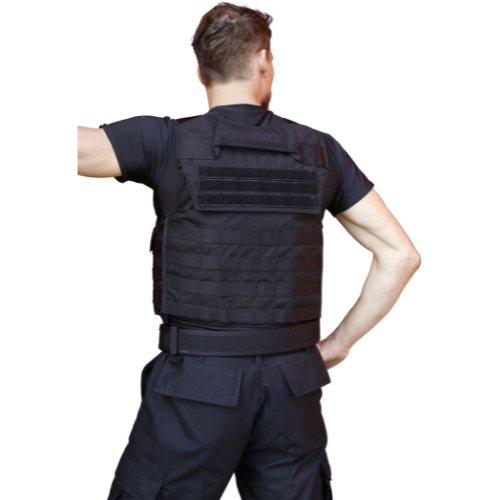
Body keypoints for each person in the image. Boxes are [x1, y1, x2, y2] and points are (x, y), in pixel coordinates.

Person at [78, 3, 421, 499]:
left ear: (201, 70)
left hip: (197, 385)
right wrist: (337, 344)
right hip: (292, 383)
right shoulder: (320, 150)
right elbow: (400, 255)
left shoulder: (164, 142)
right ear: (264, 60)